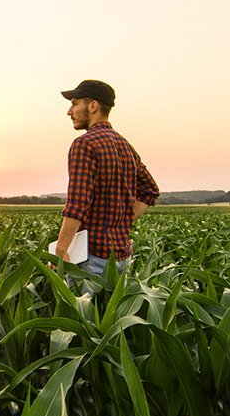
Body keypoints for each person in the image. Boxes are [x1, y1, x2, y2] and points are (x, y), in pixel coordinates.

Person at [53, 80, 160, 281]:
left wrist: (61, 248)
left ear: (93, 106)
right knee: (116, 313)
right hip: (122, 258)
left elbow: (78, 203)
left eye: (75, 104)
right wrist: (123, 222)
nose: (70, 111)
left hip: (91, 258)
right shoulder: (125, 145)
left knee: (81, 312)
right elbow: (150, 190)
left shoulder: (84, 144)